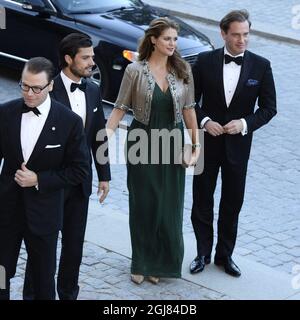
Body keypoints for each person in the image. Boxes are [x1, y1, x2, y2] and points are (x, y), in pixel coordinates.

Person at [106, 17, 200, 284]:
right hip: (141, 141)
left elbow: (189, 110)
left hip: (172, 141)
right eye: (168, 38)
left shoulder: (183, 71)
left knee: (168, 204)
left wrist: (195, 145)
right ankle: (141, 261)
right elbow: (120, 107)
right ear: (153, 40)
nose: (172, 43)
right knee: (144, 203)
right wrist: (104, 137)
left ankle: (161, 262)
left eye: (175, 39)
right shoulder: (134, 71)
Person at [23, 33, 111, 300]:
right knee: (43, 248)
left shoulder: (93, 90)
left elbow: (99, 134)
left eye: (92, 57)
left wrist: (104, 175)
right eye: (86, 58)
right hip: (49, 183)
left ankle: (68, 294)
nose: (92, 63)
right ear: (68, 59)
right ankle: (34, 295)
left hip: (80, 183)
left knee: (74, 248)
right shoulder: (45, 90)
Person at [190, 10, 277, 277]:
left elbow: (269, 108)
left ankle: (224, 256)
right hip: (207, 143)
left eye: (246, 34)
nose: (242, 40)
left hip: (239, 149)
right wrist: (204, 122)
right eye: (236, 35)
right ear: (223, 33)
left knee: (232, 203)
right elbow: (189, 102)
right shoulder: (204, 61)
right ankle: (202, 253)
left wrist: (244, 124)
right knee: (201, 200)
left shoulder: (261, 66)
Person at [0, 57, 89, 300]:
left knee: (42, 280)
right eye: (24, 86)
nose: (29, 93)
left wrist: (38, 179)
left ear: (50, 85)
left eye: (36, 88)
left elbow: (80, 169)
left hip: (44, 213)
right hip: (6, 210)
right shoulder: (5, 113)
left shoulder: (69, 122)